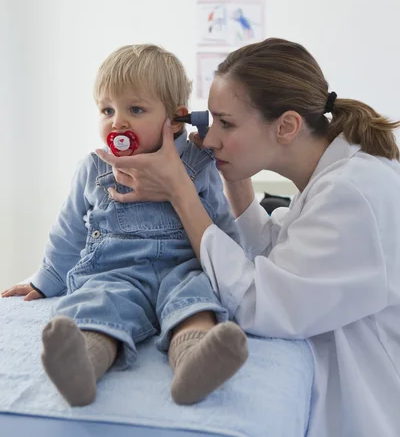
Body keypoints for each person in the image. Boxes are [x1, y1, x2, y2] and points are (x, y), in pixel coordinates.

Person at [94, 38, 400, 437]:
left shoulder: (352, 193)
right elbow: (278, 255)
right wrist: (233, 183)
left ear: (286, 126)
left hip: (365, 412)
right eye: (210, 122)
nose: (209, 139)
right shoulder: (339, 175)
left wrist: (180, 191)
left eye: (227, 123)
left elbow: (262, 303)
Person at [1, 44, 248, 407]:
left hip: (183, 269)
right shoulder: (95, 167)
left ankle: (196, 361)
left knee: (196, 304)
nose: (118, 122)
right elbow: (68, 231)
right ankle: (80, 365)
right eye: (107, 109)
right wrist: (45, 280)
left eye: (135, 109)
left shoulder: (199, 163)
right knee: (96, 306)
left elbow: (222, 225)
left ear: (176, 119)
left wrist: (238, 272)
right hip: (115, 272)